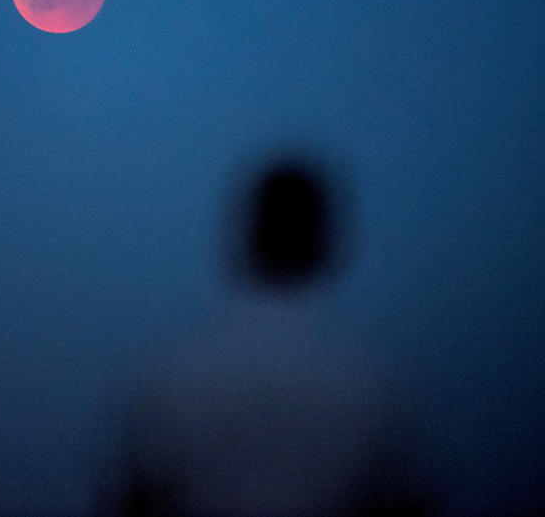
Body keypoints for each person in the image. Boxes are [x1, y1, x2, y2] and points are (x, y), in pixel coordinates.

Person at [99, 155, 436, 517]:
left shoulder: (167, 373)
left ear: (244, 236)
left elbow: (131, 497)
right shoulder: (380, 382)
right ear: (326, 242)